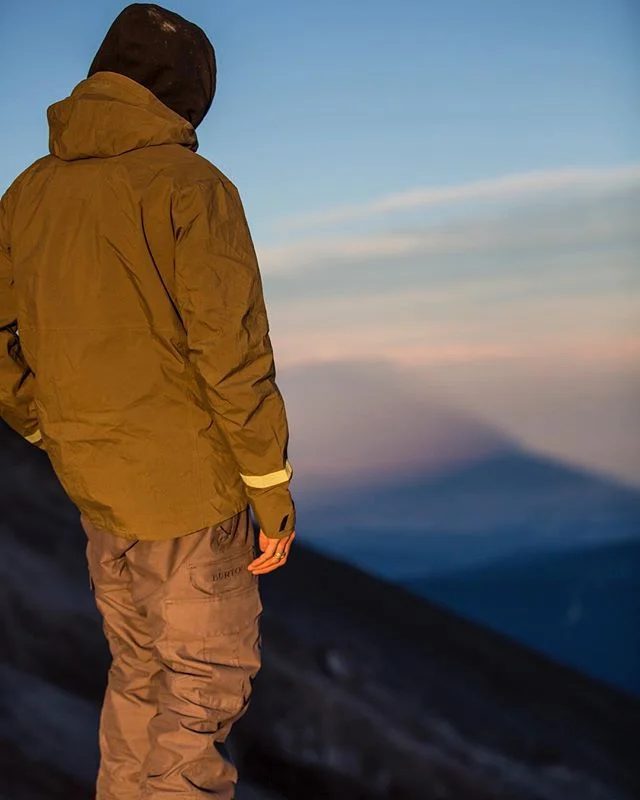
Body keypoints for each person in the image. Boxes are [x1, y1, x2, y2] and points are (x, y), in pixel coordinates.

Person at [0, 4, 296, 798]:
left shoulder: (28, 192)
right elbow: (230, 349)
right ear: (187, 96)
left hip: (96, 487)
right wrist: (269, 485)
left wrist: (44, 421)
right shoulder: (191, 187)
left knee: (139, 674)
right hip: (188, 496)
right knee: (201, 694)